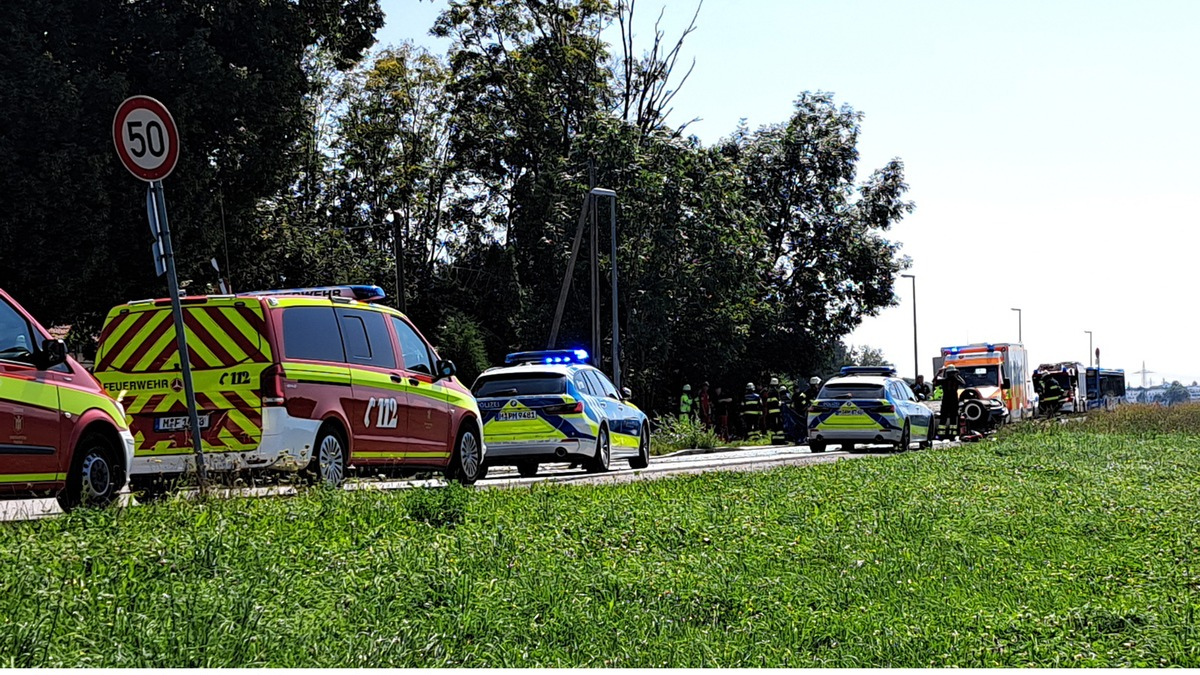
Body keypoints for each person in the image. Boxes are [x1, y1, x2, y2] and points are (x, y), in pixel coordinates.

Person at [934, 365, 966, 439]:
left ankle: (941, 435)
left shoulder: (944, 380)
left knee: (944, 419)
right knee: (952, 419)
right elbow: (963, 383)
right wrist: (958, 375)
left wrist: (938, 373)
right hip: (953, 402)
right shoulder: (955, 380)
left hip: (946, 402)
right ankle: (952, 435)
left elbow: (934, 381)